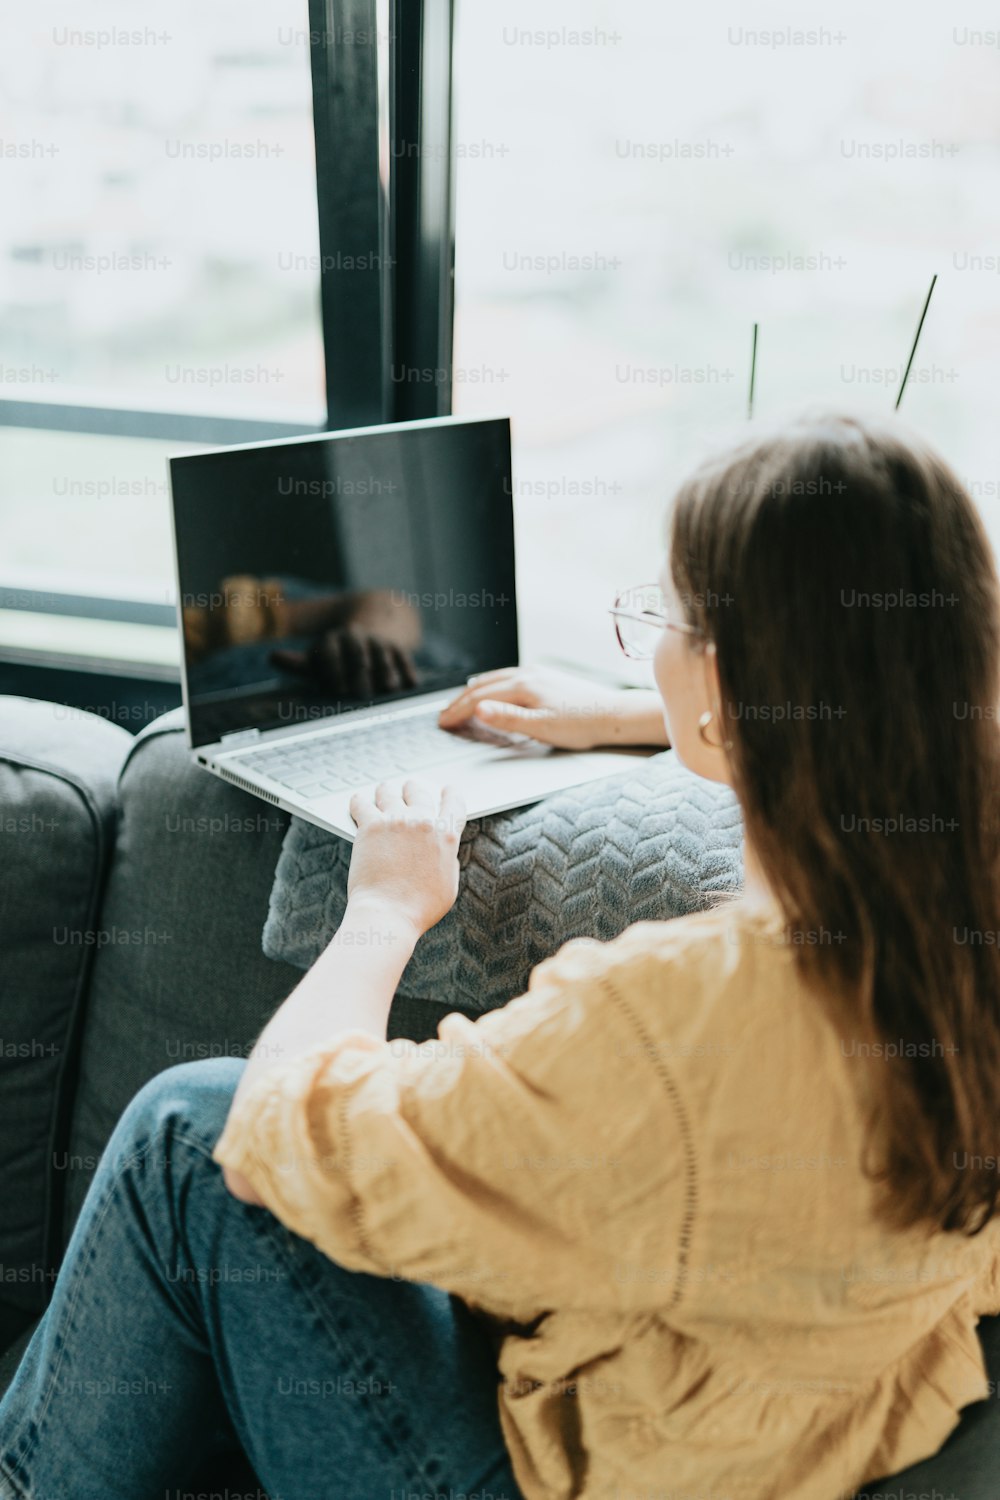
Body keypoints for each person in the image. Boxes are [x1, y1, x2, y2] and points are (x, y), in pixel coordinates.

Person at [2, 410, 1000, 1500]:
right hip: (765, 1419)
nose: (649, 643)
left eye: (663, 616)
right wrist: (643, 717)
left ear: (724, 690)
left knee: (185, 1131)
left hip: (568, 1475)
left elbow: (277, 1139)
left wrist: (385, 903)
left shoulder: (682, 1017)